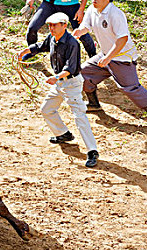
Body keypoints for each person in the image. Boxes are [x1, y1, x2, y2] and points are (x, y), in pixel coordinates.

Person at [18, 12, 99, 167]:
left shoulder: (72, 43)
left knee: (79, 117)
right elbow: (40, 46)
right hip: (60, 83)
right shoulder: (52, 38)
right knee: (47, 109)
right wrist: (25, 51)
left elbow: (71, 67)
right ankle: (63, 134)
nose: (51, 28)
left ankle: (92, 151)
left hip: (71, 84)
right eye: (49, 25)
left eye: (54, 25)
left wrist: (56, 77)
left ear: (64, 25)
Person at [73, 0, 147, 134]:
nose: (94, 0)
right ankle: (94, 104)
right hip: (105, 56)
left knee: (132, 89)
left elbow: (122, 39)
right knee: (83, 74)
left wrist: (109, 57)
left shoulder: (115, 14)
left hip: (122, 59)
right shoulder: (92, 10)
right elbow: (86, 26)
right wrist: (78, 32)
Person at [22, 0, 96, 61]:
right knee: (32, 28)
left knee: (82, 33)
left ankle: (93, 57)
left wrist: (81, 9)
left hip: (71, 6)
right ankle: (31, 51)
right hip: (49, 3)